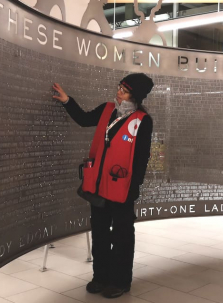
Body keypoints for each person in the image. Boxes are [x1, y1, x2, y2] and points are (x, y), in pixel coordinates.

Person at [52, 73, 154, 299]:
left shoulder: (142, 121)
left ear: (135, 96)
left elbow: (142, 158)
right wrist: (67, 101)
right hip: (98, 186)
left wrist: (133, 189)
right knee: (99, 233)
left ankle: (120, 281)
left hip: (122, 189)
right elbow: (84, 119)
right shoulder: (107, 110)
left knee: (122, 235)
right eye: (119, 87)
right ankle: (100, 277)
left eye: (125, 90)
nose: (119, 92)